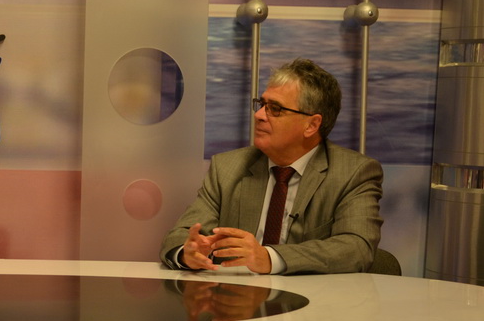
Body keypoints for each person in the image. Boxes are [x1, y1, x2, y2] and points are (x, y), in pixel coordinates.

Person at [160, 58, 383, 275]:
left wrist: (269, 258)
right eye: (261, 104)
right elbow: (181, 235)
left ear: (312, 125)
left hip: (316, 297)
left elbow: (357, 248)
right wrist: (188, 253)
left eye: (275, 109)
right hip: (235, 296)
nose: (258, 115)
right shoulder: (227, 168)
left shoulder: (353, 173)